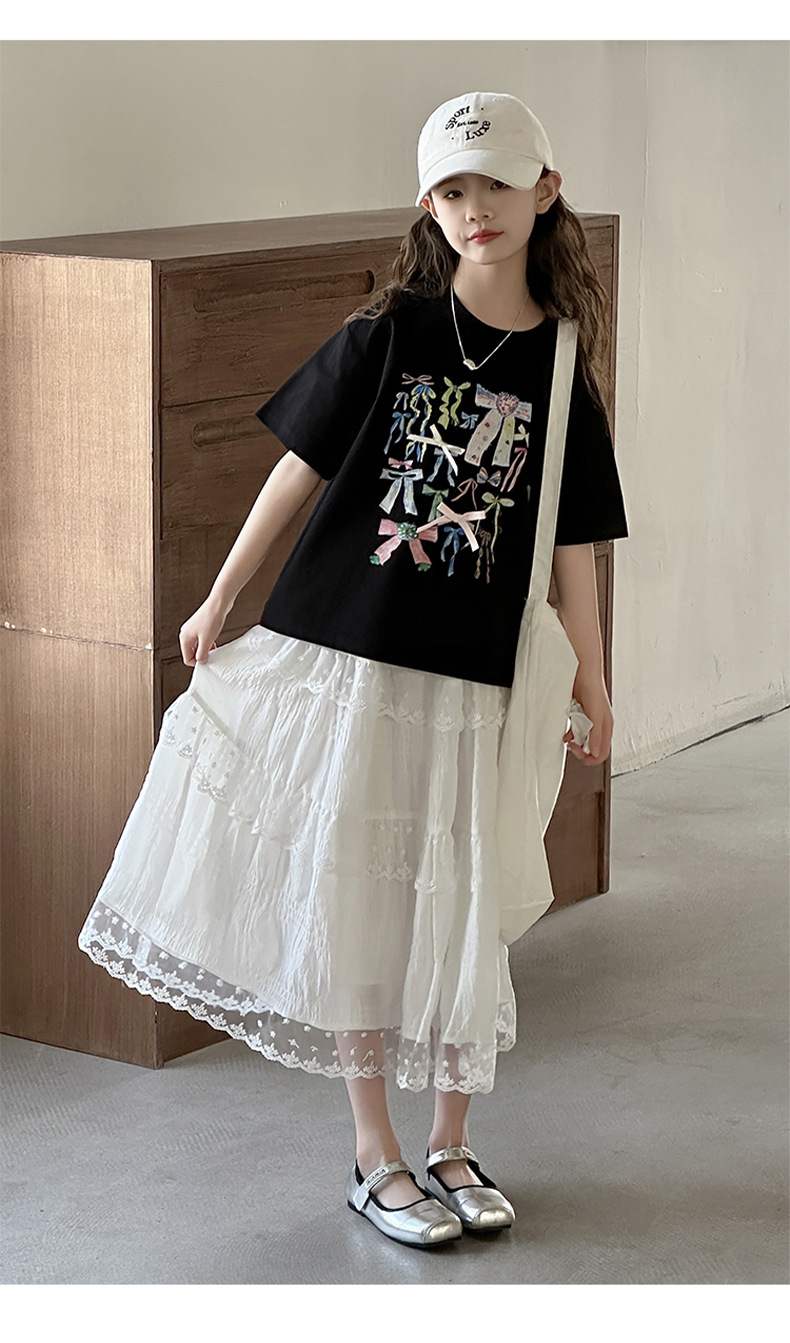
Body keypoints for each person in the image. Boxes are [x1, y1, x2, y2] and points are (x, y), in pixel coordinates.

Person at [78, 90, 629, 1250]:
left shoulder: (562, 364)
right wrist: (220, 594)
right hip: (358, 660)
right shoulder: (392, 330)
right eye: (451, 190)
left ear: (545, 190)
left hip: (477, 676)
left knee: (459, 901)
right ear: (429, 205)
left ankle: (452, 1143)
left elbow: (573, 542)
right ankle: (376, 1153)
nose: (474, 208)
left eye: (494, 183)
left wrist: (591, 678)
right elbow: (300, 469)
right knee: (364, 904)